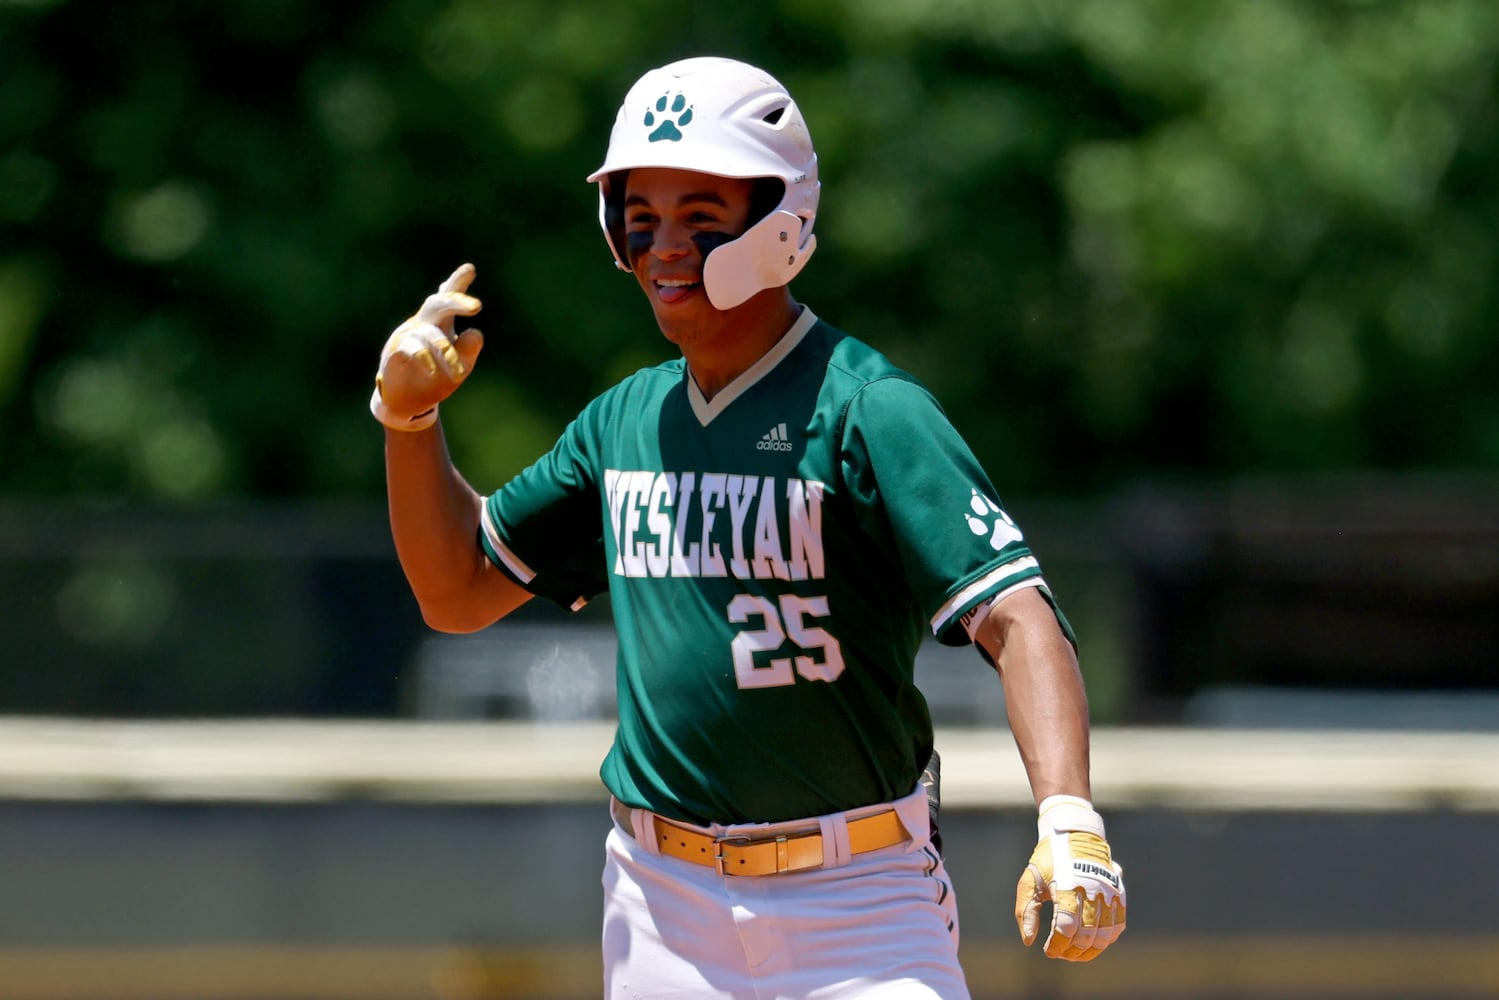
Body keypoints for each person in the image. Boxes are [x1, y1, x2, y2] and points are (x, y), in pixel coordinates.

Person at [372, 55, 1126, 999]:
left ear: (781, 217)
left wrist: (1068, 817)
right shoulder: (622, 424)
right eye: (638, 218)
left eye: (700, 215)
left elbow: (1019, 616)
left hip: (860, 901)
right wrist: (408, 423)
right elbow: (456, 592)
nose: (661, 246)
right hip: (659, 904)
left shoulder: (866, 409)